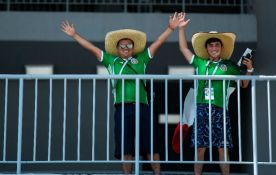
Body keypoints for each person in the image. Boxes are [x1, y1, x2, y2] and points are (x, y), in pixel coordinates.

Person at [61, 12, 183, 174]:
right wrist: (74, 35)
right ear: (117, 49)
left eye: (129, 45)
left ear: (133, 48)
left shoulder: (141, 59)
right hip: (122, 108)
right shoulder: (111, 61)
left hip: (143, 107)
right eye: (122, 46)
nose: (126, 48)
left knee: (151, 144)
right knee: (125, 147)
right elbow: (92, 48)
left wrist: (170, 28)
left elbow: (159, 42)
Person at [178, 13, 254, 175]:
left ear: (221, 48)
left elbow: (244, 84)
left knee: (223, 147)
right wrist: (181, 29)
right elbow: (184, 48)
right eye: (211, 45)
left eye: (217, 45)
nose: (214, 48)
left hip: (220, 109)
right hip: (201, 109)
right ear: (206, 48)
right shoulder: (200, 62)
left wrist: (249, 70)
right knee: (200, 148)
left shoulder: (230, 66)